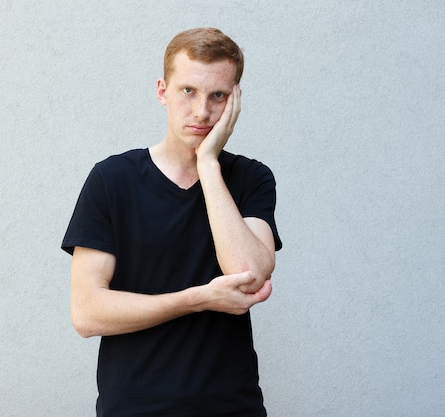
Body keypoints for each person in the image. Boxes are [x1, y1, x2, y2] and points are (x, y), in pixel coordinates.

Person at [62, 27, 282, 417]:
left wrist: (209, 164)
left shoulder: (251, 178)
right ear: (162, 91)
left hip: (231, 407)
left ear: (235, 100)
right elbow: (87, 312)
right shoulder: (112, 180)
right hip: (134, 408)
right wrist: (198, 299)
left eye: (218, 96)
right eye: (188, 91)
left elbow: (249, 274)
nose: (202, 111)